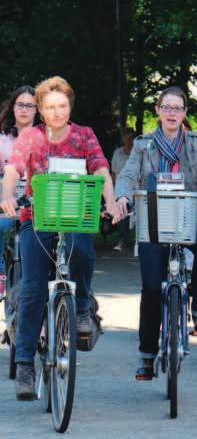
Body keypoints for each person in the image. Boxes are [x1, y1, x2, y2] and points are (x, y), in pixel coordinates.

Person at [0, 76, 121, 400]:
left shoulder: (84, 136)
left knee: (83, 250)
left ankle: (81, 308)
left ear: (70, 106)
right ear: (41, 109)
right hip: (36, 219)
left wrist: (110, 202)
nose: (56, 112)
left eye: (62, 106)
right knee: (32, 288)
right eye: (50, 107)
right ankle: (25, 363)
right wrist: (8, 196)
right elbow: (13, 169)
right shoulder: (31, 136)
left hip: (75, 217)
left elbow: (100, 169)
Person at [115, 86, 197, 380]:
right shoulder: (143, 145)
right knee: (152, 289)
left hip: (191, 214)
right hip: (153, 215)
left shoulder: (195, 143)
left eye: (177, 108)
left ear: (184, 113)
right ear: (157, 111)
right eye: (166, 107)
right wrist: (122, 197)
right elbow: (128, 175)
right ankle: (146, 356)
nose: (171, 113)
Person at [0, 86, 37, 298]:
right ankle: (1, 273)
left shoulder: (44, 137)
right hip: (7, 201)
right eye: (20, 105)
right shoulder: (3, 139)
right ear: (13, 108)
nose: (24, 110)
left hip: (35, 202)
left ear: (37, 109)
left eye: (29, 105)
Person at [110, 128, 135, 252]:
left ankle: (139, 241)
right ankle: (121, 240)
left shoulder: (138, 153)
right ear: (123, 139)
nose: (129, 140)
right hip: (120, 190)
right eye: (126, 137)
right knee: (122, 212)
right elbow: (114, 172)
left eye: (131, 138)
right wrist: (112, 191)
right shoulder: (117, 153)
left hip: (135, 189)